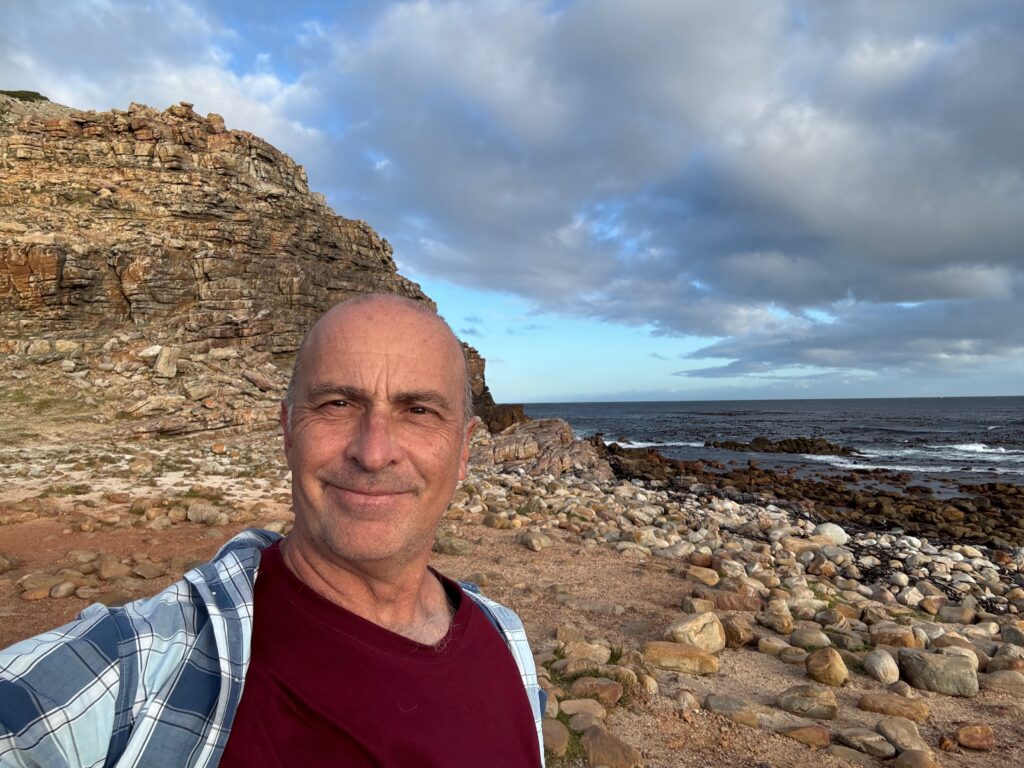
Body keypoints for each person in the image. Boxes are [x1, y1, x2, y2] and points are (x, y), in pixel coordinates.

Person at [0, 294, 545, 767]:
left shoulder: (505, 640)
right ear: (287, 430)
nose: (374, 452)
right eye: (337, 404)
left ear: (465, 450)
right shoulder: (142, 665)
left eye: (419, 410)